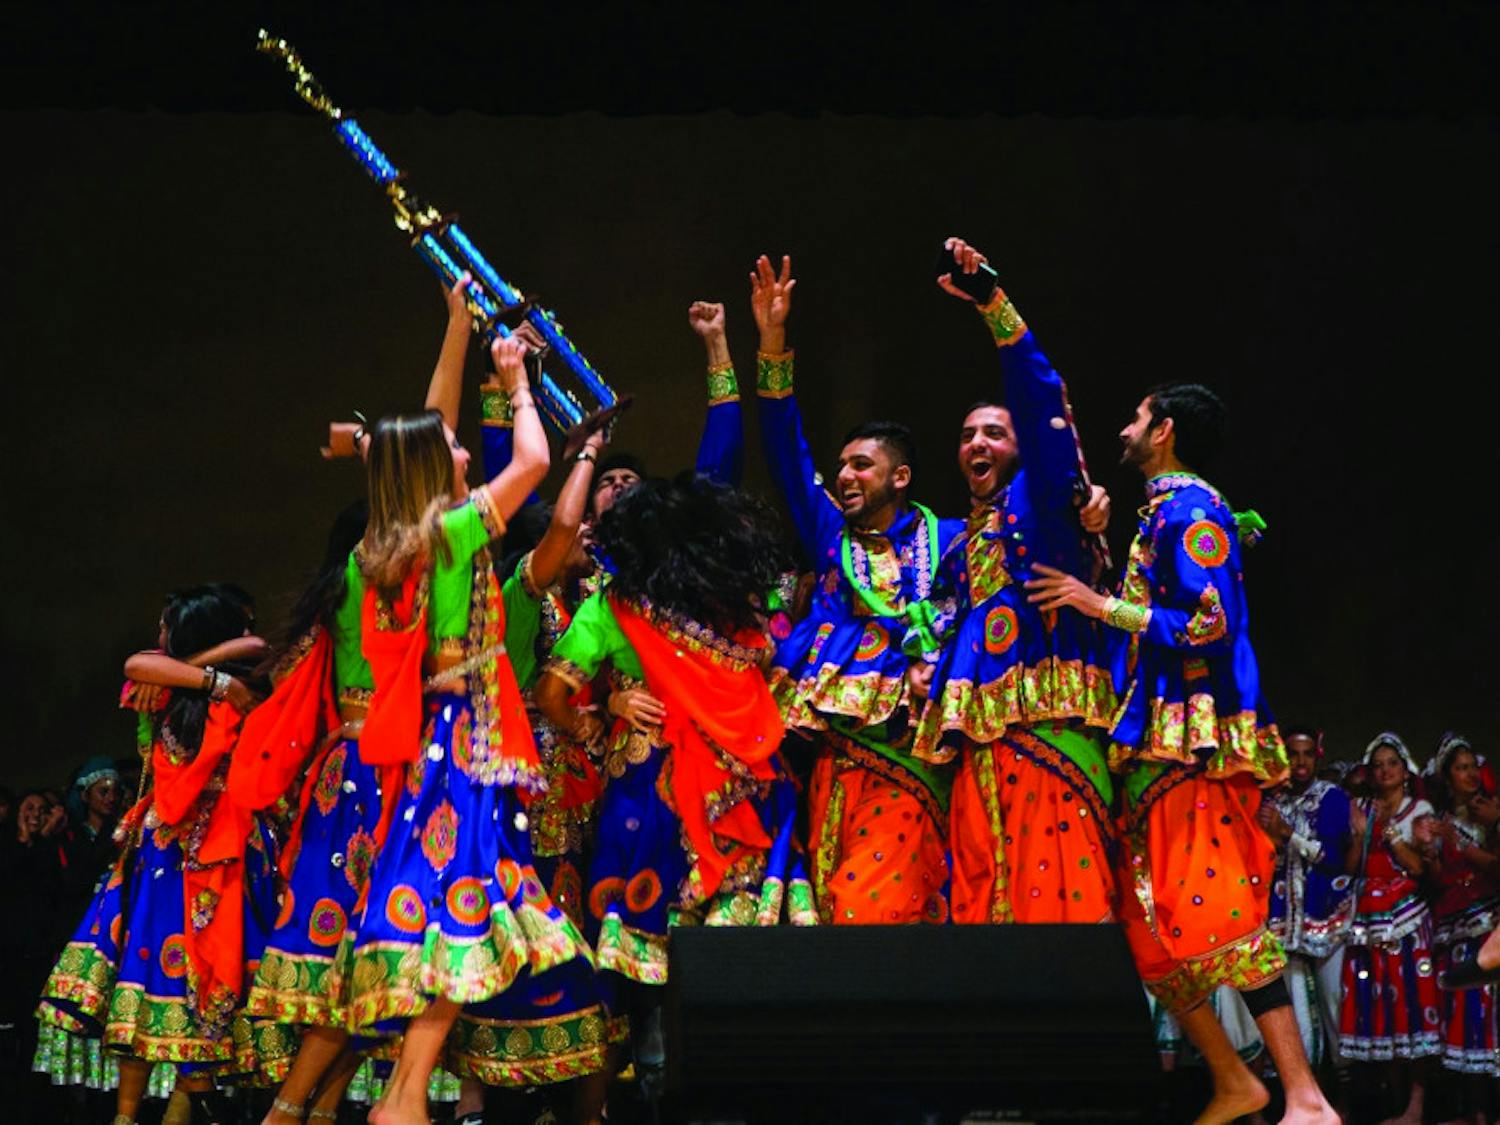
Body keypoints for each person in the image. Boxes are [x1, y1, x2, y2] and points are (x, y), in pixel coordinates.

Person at [1026, 383, 1336, 1124]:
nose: (1124, 427)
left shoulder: (1192, 510)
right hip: (1149, 748)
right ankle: (1236, 1081)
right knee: (1151, 928)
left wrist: (1101, 605)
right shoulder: (1161, 511)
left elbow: (1211, 621)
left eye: (1135, 416)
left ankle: (1306, 1095)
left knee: (1218, 902)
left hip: (1190, 743)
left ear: (1162, 431)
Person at [338, 331, 594, 1125]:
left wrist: (452, 327)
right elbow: (533, 465)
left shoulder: (371, 553)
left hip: (428, 743)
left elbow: (427, 431)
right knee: (466, 908)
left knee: (458, 912)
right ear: (429, 471)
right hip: (469, 740)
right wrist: (518, 384)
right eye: (451, 445)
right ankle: (404, 1098)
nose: (462, 449)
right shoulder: (451, 533)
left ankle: (404, 1095)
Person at [750, 253, 962, 925]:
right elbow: (787, 448)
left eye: (860, 464)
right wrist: (773, 341)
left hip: (916, 749)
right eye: (840, 464)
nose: (844, 475)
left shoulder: (952, 539)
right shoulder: (828, 535)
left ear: (900, 478)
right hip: (837, 758)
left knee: (881, 908)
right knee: (837, 906)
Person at [913, 237, 1117, 925]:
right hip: (978, 746)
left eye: (995, 433)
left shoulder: (1046, 501)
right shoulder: (952, 543)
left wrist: (994, 305)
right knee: (981, 906)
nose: (977, 442)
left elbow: (1040, 398)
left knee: (1066, 917)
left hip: (1052, 733)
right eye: (968, 433)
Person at [36, 585, 273, 1125]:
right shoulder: (175, 687)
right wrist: (211, 674)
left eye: (167, 628)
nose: (158, 638)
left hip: (214, 849)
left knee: (200, 978)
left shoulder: (243, 686)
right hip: (170, 853)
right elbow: (136, 663)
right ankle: (144, 1113)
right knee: (153, 978)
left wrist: (205, 675)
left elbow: (257, 643)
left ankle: (187, 1106)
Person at [1339, 734, 1442, 1125]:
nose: (1384, 770)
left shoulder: (1421, 809)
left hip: (1407, 923)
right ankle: (1391, 1102)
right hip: (1367, 922)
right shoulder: (1359, 807)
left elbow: (1417, 868)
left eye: (1391, 764)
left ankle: (1415, 1106)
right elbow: (1351, 867)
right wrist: (1363, 834)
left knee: (1412, 1008)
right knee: (1379, 1010)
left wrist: (1389, 833)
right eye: (1378, 764)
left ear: (1405, 771)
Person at [1260, 728, 1357, 1075]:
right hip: (1284, 919)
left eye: (1306, 754)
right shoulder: (1273, 800)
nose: (1300, 762)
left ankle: (1345, 1089)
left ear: (1317, 757)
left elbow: (1333, 857)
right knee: (1293, 1008)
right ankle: (1303, 1089)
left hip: (1325, 913)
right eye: (1292, 754)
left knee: (1335, 1003)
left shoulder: (1331, 797)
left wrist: (1288, 834)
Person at [1424, 733, 1500, 1116]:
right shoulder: (1441, 822)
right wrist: (1429, 851)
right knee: (1465, 1023)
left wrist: (1467, 842)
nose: (1470, 774)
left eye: (1473, 766)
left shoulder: (1492, 813)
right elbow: (1438, 880)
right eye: (1461, 768)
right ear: (1447, 777)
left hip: (1490, 927)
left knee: (1492, 1023)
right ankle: (1475, 1115)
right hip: (1455, 930)